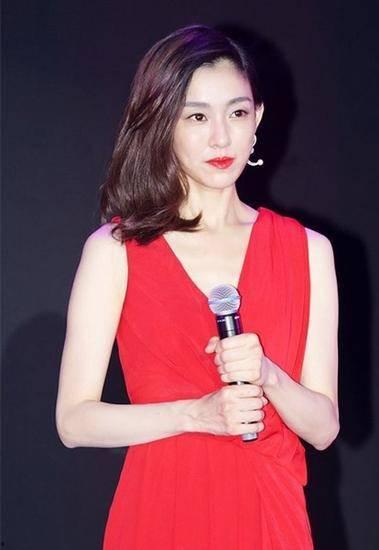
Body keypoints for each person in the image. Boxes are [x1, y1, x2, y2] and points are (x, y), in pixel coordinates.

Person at [55, 24, 339, 549]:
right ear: (163, 123)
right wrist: (196, 414)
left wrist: (269, 376)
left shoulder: (308, 250)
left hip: (270, 516)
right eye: (197, 117)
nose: (221, 138)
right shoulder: (116, 250)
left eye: (237, 113)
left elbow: (323, 429)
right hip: (163, 511)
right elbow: (74, 422)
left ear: (257, 120)